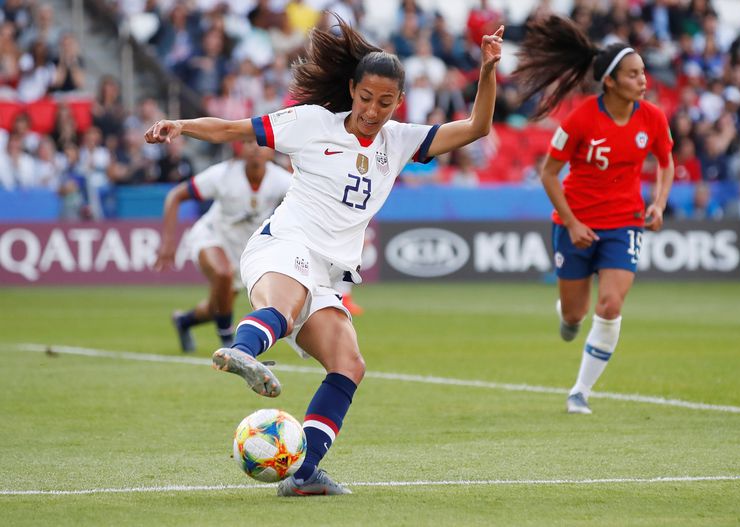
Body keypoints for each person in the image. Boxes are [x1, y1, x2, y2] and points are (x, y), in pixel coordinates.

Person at [145, 15, 503, 496]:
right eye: (365, 98)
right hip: (282, 244)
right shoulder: (312, 124)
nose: (374, 110)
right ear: (352, 89)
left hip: (327, 274)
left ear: (400, 101)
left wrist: (486, 70)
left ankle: (305, 474)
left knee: (349, 364)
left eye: (386, 101)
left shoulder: (399, 142)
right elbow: (233, 129)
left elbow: (479, 126)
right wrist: (181, 125)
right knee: (284, 307)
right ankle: (242, 351)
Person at [512, 15, 674, 415]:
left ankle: (579, 392)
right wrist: (571, 222)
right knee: (574, 315)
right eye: (634, 75)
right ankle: (568, 317)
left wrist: (658, 204)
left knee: (611, 306)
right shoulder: (581, 118)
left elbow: (666, 163)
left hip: (624, 222)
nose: (644, 81)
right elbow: (548, 173)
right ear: (611, 81)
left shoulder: (652, 117)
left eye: (643, 73)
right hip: (576, 223)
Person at [155, 141, 291, 353]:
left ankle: (184, 321)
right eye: (249, 143)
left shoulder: (282, 180)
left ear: (271, 150)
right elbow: (175, 196)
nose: (255, 148)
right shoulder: (222, 175)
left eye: (261, 144)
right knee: (223, 272)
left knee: (215, 307)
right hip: (210, 236)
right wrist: (168, 242)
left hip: (242, 250)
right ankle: (229, 342)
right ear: (240, 148)